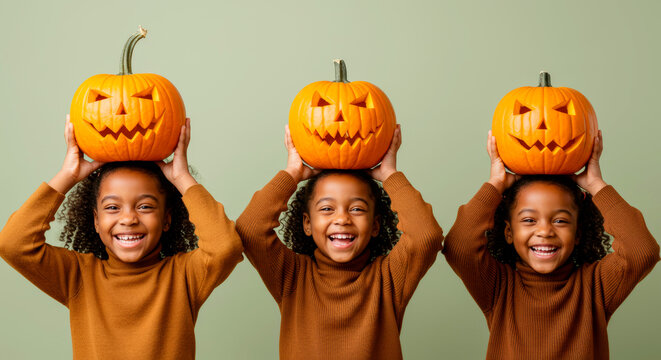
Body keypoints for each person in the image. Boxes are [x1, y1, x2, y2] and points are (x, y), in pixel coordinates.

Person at [0, 117, 243, 360]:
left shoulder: (184, 276)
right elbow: (13, 243)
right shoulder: (78, 276)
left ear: (167, 219)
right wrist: (68, 175)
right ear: (96, 221)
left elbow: (226, 247)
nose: (128, 219)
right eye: (113, 208)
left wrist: (181, 177)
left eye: (145, 207)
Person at [442, 130, 660, 359]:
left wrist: (596, 184)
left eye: (560, 220)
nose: (545, 231)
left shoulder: (596, 286)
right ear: (508, 232)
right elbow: (459, 247)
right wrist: (496, 184)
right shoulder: (498, 286)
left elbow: (641, 251)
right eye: (529, 220)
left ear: (578, 233)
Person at [236, 125, 444, 359]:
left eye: (356, 208)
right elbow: (250, 229)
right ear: (307, 223)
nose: (342, 219)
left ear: (375, 225)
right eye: (327, 208)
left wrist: (389, 176)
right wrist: (292, 173)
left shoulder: (388, 279)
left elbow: (426, 236)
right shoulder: (292, 276)